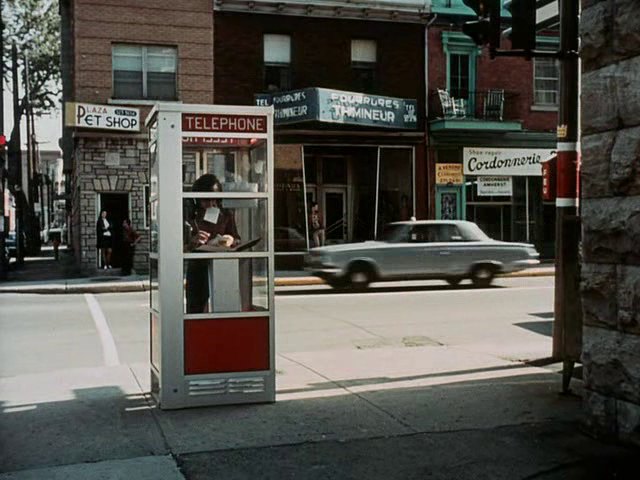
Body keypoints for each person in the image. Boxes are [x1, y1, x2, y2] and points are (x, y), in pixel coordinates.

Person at [184, 174, 240, 313]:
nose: (210, 204)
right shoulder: (190, 216)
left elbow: (236, 238)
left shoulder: (225, 214)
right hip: (198, 266)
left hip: (222, 266)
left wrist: (229, 240)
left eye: (213, 199)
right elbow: (179, 247)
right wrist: (193, 241)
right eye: (206, 200)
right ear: (197, 199)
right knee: (196, 307)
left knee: (224, 307)